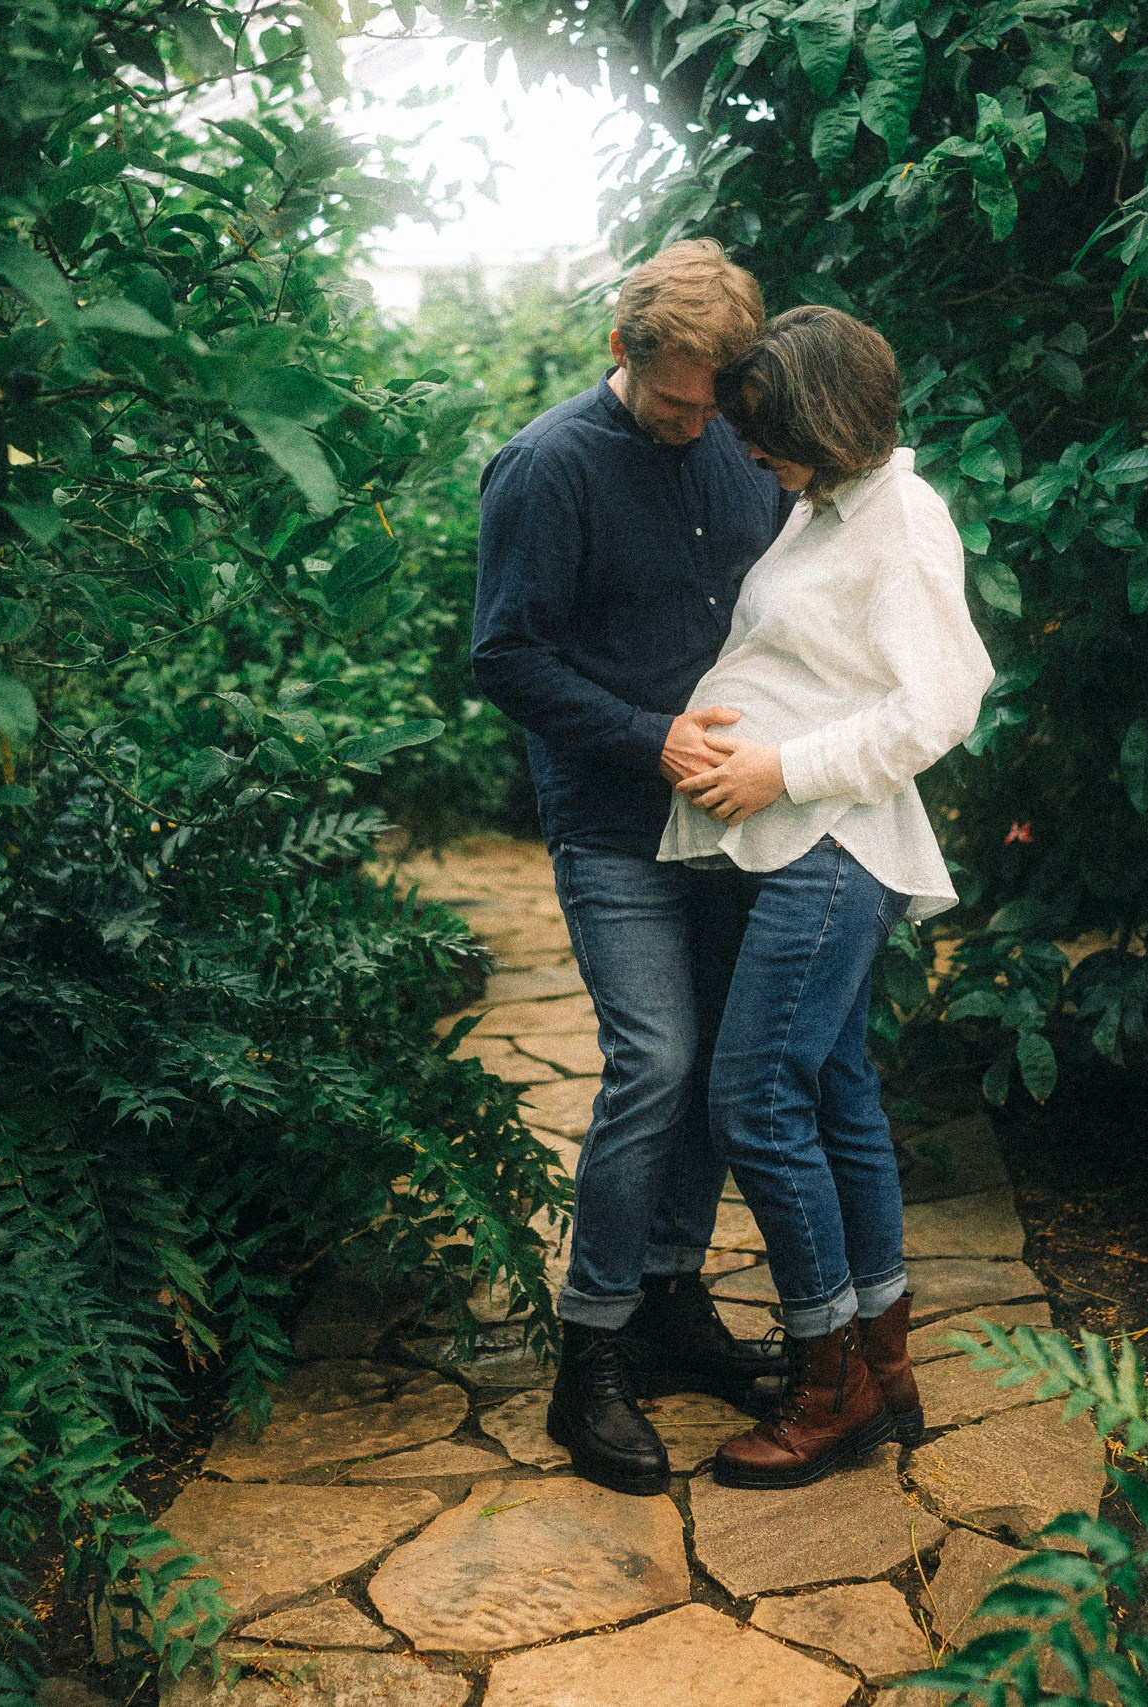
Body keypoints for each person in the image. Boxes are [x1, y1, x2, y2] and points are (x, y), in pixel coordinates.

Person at [472, 240, 797, 1496]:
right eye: (674, 401)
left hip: (727, 814)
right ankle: (590, 1354)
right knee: (654, 1058)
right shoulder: (546, 466)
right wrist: (649, 738)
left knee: (715, 1065)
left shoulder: (731, 438)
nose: (698, 425)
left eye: (715, 404)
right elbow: (506, 658)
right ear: (620, 349)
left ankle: (670, 1297)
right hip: (614, 819)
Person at [660, 305, 995, 1489]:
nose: (753, 453)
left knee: (753, 1102)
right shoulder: (823, 508)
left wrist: (780, 770)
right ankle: (880, 1360)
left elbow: (941, 703)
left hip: (831, 841)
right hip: (800, 843)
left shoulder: (899, 515)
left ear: (827, 419)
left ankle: (827, 1387)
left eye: (770, 435)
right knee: (835, 1089)